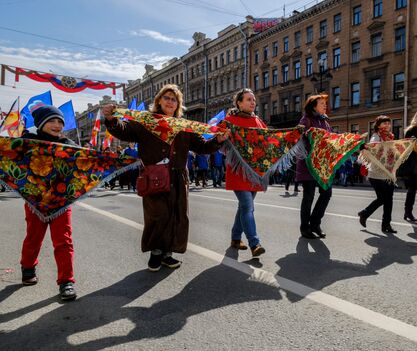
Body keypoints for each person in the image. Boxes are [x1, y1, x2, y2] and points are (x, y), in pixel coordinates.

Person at [102, 84, 228, 271]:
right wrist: (111, 118)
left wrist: (218, 140)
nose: (170, 101)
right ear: (159, 101)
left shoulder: (183, 126)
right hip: (155, 175)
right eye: (167, 98)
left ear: (178, 104)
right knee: (158, 215)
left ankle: (168, 253)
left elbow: (201, 147)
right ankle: (155, 253)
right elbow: (124, 130)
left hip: (178, 176)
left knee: (176, 215)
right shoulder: (147, 121)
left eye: (174, 99)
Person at [19, 105, 78, 301]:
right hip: (35, 201)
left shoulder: (69, 144)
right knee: (33, 237)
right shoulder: (27, 142)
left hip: (61, 201)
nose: (56, 125)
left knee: (64, 240)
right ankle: (28, 268)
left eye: (60, 122)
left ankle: (66, 282)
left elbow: (83, 165)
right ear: (41, 124)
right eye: (52, 121)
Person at [225, 88, 266, 257]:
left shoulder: (259, 121)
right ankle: (254, 243)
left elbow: (270, 140)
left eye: (254, 99)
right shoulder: (229, 121)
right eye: (248, 99)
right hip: (238, 172)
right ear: (239, 103)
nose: (252, 102)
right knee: (248, 206)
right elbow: (218, 140)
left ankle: (235, 238)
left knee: (244, 207)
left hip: (255, 172)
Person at [296, 94, 333, 239]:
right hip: (308, 165)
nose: (325, 105)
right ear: (313, 106)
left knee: (327, 193)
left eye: (325, 103)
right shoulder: (306, 120)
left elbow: (330, 140)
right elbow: (300, 137)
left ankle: (315, 223)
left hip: (322, 165)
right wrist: (310, 135)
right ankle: (305, 228)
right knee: (309, 196)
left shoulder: (326, 123)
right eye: (322, 103)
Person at [357, 115, 397, 233]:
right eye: (384, 123)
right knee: (383, 198)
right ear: (378, 125)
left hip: (389, 172)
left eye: (388, 123)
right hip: (376, 173)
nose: (387, 125)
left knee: (388, 199)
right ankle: (365, 213)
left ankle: (386, 225)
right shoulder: (376, 136)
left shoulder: (391, 137)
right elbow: (374, 148)